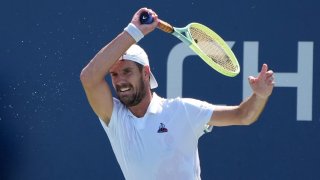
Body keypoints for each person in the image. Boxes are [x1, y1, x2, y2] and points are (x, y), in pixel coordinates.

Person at [80, 7, 275, 180]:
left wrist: (260, 96)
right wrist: (133, 31)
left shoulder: (182, 110)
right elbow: (89, 78)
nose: (120, 81)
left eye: (127, 72)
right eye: (113, 74)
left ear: (146, 73)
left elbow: (243, 115)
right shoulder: (115, 118)